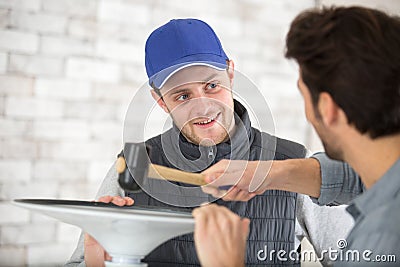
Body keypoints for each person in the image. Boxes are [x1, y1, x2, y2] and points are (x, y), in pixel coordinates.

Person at [65, 18, 353, 267]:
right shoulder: (134, 164)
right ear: (161, 101)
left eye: (211, 86)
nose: (202, 107)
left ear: (230, 73)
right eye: (183, 96)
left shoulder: (294, 163)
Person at [197, 6, 400, 266]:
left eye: (302, 94)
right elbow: (358, 178)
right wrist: (266, 174)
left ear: (328, 110)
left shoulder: (380, 238)